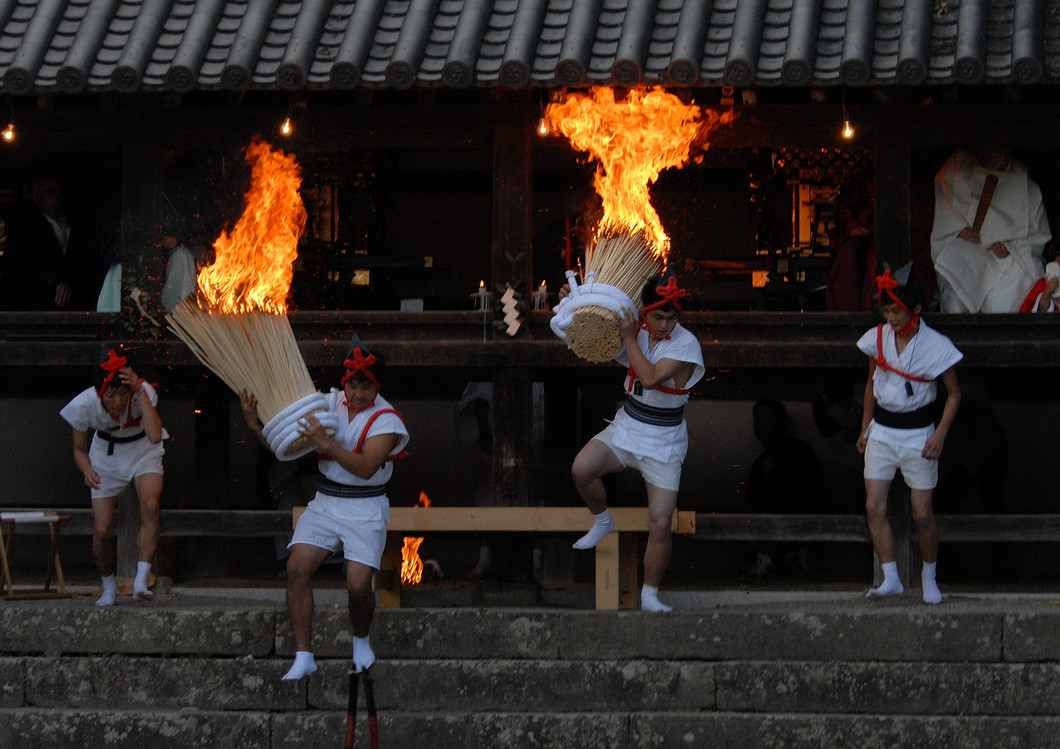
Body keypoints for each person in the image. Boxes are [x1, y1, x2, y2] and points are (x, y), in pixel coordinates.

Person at [240, 336, 409, 681]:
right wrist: (256, 425)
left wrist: (326, 442)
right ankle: (304, 654)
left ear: (376, 387)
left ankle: (361, 640)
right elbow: (285, 445)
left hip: (365, 506)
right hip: (327, 502)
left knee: (358, 586)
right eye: (352, 385)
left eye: (366, 387)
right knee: (297, 568)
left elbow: (365, 467)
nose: (358, 394)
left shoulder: (387, 419)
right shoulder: (326, 403)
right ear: (344, 381)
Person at [564, 273, 705, 612]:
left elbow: (652, 377)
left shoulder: (686, 344)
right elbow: (589, 337)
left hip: (665, 440)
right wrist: (576, 302)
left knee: (659, 522)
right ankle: (602, 520)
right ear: (645, 311)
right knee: (581, 469)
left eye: (672, 318)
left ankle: (650, 594)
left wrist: (629, 338)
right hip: (628, 425)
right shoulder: (635, 331)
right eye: (659, 316)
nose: (666, 324)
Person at [856, 264, 962, 605]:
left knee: (922, 512)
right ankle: (890, 577)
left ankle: (928, 577)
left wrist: (940, 434)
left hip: (919, 433)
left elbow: (954, 393)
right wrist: (864, 429)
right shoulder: (878, 337)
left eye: (897, 310)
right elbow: (871, 384)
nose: (891, 317)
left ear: (916, 309)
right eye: (887, 310)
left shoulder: (936, 344)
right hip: (883, 431)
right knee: (874, 505)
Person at [59, 349, 165, 606]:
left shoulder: (142, 393)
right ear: (99, 394)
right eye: (111, 395)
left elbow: (154, 435)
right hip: (105, 456)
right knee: (102, 529)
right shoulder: (84, 405)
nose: (118, 401)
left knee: (150, 506)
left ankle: (141, 578)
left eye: (122, 393)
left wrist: (139, 390)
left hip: (143, 449)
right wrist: (87, 469)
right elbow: (78, 449)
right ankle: (108, 586)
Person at [931, 140, 1051, 313]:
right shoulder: (957, 169)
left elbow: (1038, 235)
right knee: (955, 267)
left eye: (991, 147)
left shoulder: (1026, 185)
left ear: (1007, 147)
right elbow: (944, 209)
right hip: (970, 249)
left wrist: (1011, 248)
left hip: (1007, 257)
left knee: (1007, 290)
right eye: (981, 146)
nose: (984, 153)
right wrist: (958, 231)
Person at [741, 398, 825, 581]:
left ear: (780, 424)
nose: (759, 424)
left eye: (765, 419)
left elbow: (806, 493)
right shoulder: (760, 463)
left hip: (795, 517)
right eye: (756, 419)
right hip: (766, 523)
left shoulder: (798, 452)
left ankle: (784, 556)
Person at [0, 172, 97, 310]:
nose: (55, 199)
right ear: (36, 195)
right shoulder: (25, 224)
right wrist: (57, 280)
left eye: (58, 192)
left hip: (70, 305)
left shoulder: (72, 221)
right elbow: (30, 258)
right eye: (49, 192)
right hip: (33, 305)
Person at [160, 223, 198, 311]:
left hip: (179, 301)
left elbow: (174, 280)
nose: (164, 241)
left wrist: (168, 300)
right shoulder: (181, 252)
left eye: (166, 238)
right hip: (184, 299)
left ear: (173, 238)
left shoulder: (179, 254)